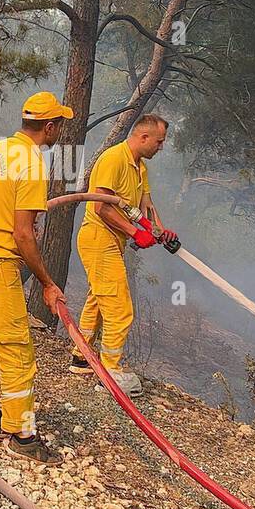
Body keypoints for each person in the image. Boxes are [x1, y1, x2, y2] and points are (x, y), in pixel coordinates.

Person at [0, 91, 70, 465]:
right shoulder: (33, 164)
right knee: (17, 349)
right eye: (59, 125)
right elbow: (24, 234)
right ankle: (22, 435)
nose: (60, 132)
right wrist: (47, 282)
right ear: (49, 127)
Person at [70, 114, 177, 397]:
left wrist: (161, 231)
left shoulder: (139, 168)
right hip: (97, 238)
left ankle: (81, 357)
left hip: (112, 240)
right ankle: (111, 371)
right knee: (119, 307)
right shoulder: (113, 159)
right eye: (159, 142)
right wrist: (134, 232)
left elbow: (146, 205)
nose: (160, 147)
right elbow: (100, 208)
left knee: (98, 298)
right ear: (143, 138)